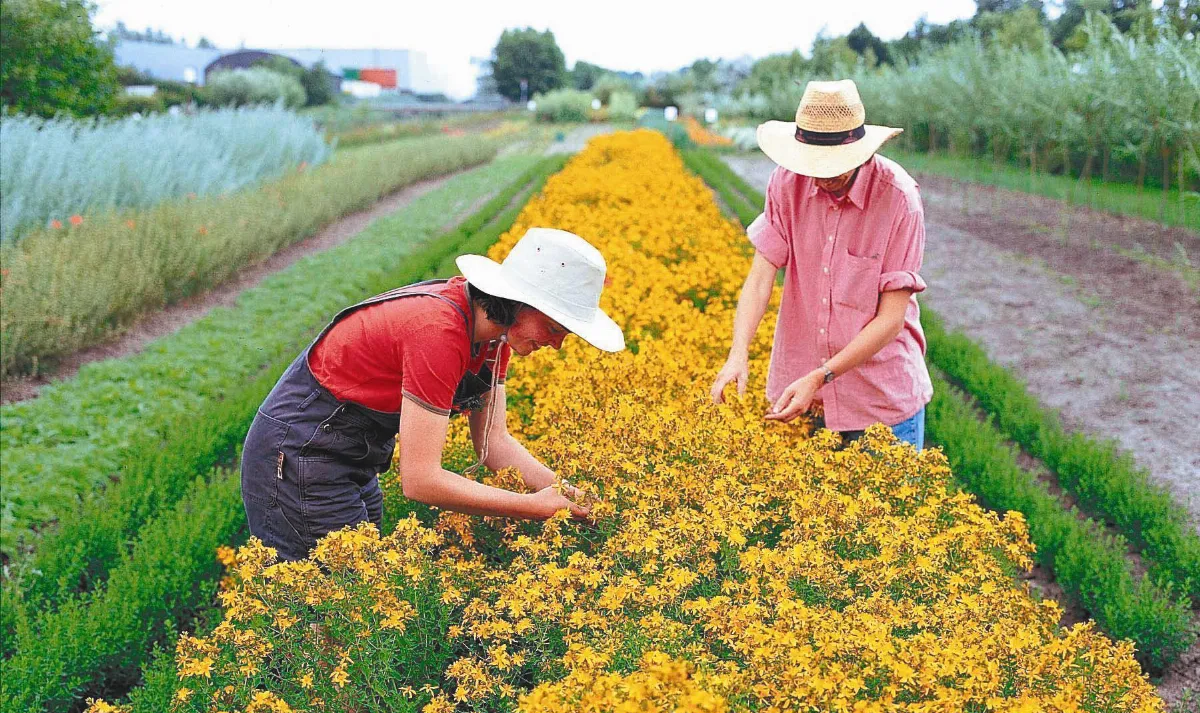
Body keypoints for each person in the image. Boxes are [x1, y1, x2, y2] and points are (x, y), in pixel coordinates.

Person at [241, 227, 625, 562]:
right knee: (332, 608)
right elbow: (420, 480)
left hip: (355, 457)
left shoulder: (494, 339)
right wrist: (532, 507)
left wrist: (565, 493)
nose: (556, 345)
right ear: (521, 303)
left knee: (359, 595)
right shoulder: (437, 332)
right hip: (299, 454)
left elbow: (493, 443)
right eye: (555, 328)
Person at [710, 79, 932, 451]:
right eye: (815, 165)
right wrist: (738, 352)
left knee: (883, 508)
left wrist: (822, 375)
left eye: (836, 166)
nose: (825, 176)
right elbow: (761, 276)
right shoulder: (786, 182)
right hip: (807, 397)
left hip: (881, 400)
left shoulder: (899, 199)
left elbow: (891, 319)